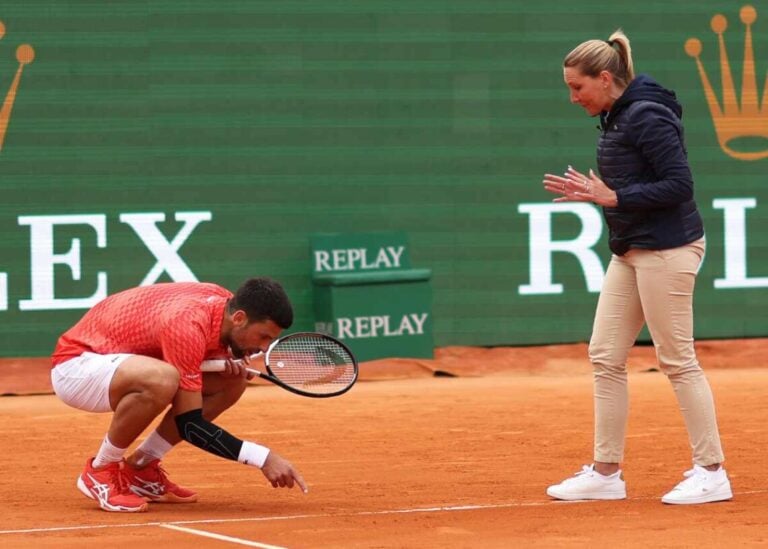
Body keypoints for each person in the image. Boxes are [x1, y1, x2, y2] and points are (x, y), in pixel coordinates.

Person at [541, 30, 732, 505]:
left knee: (677, 360)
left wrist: (614, 196)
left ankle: (712, 472)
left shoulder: (646, 115)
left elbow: (679, 185)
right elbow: (632, 186)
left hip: (668, 248)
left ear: (605, 79)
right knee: (605, 354)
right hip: (631, 250)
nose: (573, 97)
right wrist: (603, 196)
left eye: (578, 87)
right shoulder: (616, 116)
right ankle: (606, 473)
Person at [51, 277, 308, 513]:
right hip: (77, 366)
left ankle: (141, 469)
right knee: (162, 379)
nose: (263, 348)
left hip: (119, 362)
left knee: (232, 381)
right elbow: (190, 425)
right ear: (239, 318)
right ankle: (100, 469)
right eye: (263, 337)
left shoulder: (224, 306)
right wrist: (263, 458)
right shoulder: (187, 324)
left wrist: (225, 357)